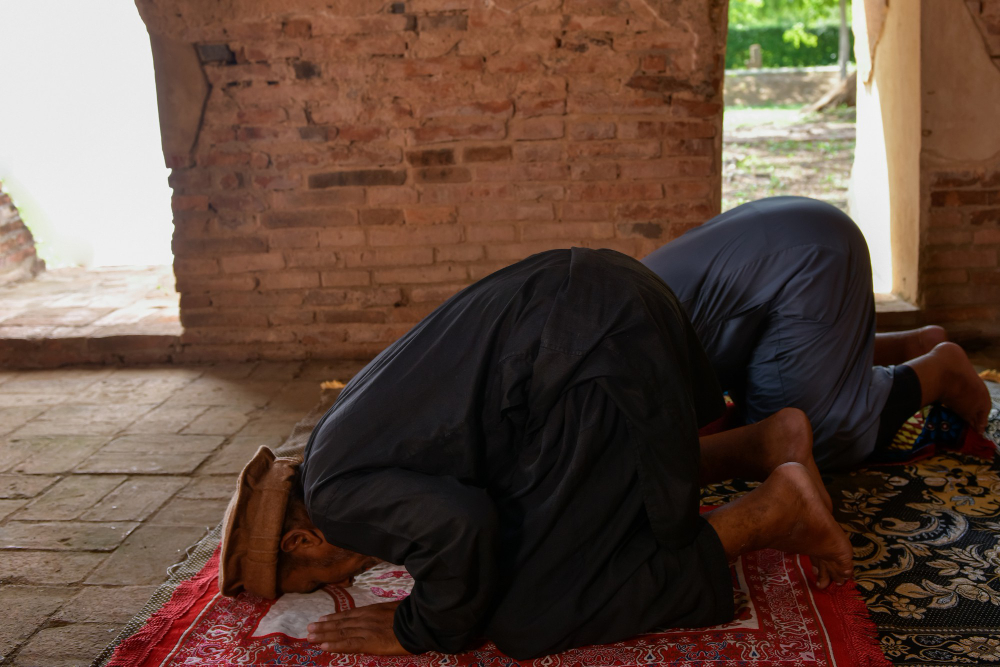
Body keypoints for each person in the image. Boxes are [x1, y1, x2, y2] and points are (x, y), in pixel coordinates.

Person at [219, 248, 852, 660]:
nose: (342, 585)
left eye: (315, 580)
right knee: (541, 519)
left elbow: (462, 527)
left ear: (301, 541)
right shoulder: (331, 442)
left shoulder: (334, 500)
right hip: (617, 298)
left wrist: (422, 626)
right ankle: (763, 444)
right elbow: (478, 487)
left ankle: (774, 511)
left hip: (594, 357)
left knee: (531, 612)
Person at [641, 196, 991, 470]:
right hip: (789, 229)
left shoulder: (613, 364)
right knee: (763, 399)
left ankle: (939, 373)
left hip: (805, 262)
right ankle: (909, 345)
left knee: (799, 442)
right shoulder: (610, 306)